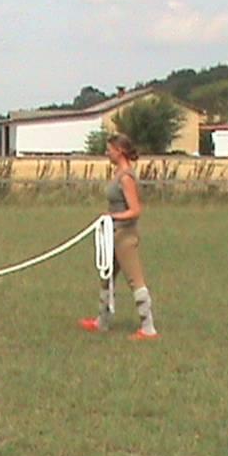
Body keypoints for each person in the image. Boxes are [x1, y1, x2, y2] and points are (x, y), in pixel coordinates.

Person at [79, 133, 159, 340]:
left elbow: (135, 210)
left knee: (135, 280)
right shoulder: (117, 174)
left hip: (125, 235)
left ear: (120, 151)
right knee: (107, 278)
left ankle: (148, 328)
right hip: (113, 234)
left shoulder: (125, 177)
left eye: (110, 149)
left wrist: (111, 217)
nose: (107, 153)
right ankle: (102, 322)